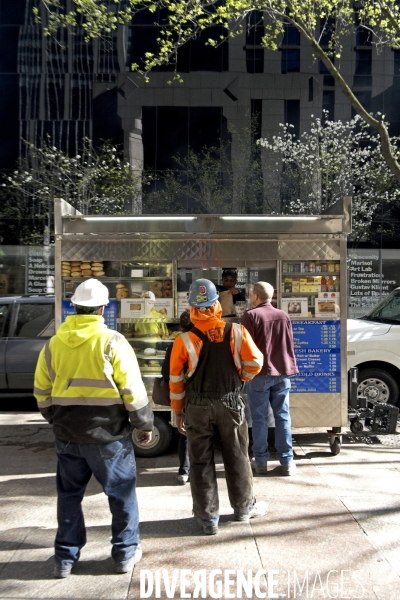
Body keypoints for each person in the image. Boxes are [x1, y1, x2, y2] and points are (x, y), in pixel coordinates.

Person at [33, 279, 154, 578]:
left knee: (69, 495)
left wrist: (55, 419)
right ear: (103, 309)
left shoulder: (53, 344)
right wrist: (144, 424)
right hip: (108, 436)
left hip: (67, 434)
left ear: (74, 307)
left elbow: (41, 391)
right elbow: (132, 390)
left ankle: (64, 558)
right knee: (121, 494)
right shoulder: (112, 341)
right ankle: (124, 554)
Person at [169, 279, 266, 535]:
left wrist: (178, 411)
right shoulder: (236, 332)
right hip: (231, 403)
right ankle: (243, 510)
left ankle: (207, 518)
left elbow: (176, 381)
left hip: (197, 407)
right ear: (216, 305)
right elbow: (256, 362)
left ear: (192, 307)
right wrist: (241, 377)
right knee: (238, 457)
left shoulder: (184, 340)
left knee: (200, 462)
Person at [241, 281, 299, 476]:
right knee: (283, 416)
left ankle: (261, 462)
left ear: (256, 297)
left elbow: (245, 347)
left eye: (250, 295)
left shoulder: (250, 316)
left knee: (259, 419)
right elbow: (289, 344)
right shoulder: (283, 315)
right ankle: (287, 462)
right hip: (282, 373)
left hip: (259, 374)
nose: (249, 298)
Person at [161, 309, 192, 485]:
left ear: (181, 326)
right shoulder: (202, 341)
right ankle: (202, 470)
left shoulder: (175, 344)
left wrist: (178, 409)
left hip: (182, 395)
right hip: (202, 395)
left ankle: (184, 471)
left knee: (184, 432)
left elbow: (167, 373)